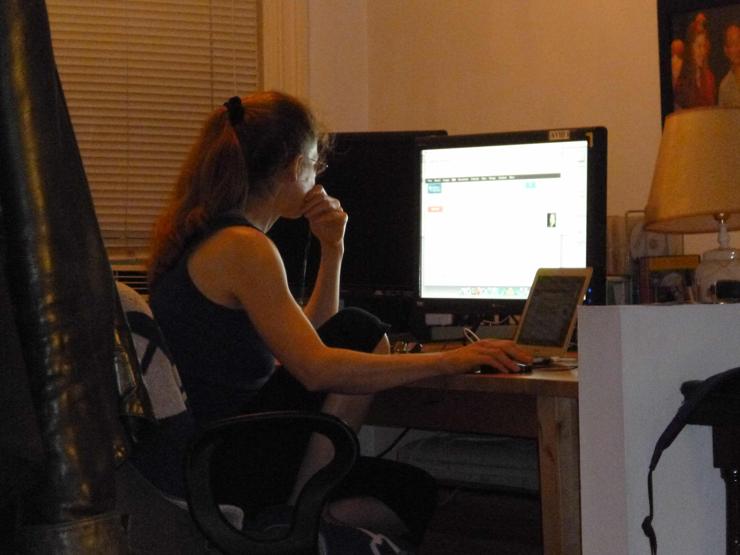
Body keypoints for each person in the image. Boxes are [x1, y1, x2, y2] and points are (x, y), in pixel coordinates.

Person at [147, 90, 531, 545]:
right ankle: (297, 518)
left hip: (214, 457)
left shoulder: (205, 234)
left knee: (410, 489)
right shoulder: (244, 248)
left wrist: (333, 249)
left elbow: (309, 341)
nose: (316, 177)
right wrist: (451, 359)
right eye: (314, 164)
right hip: (230, 464)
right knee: (362, 330)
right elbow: (316, 368)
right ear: (294, 166)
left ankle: (306, 512)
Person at [674, 17, 717, 109]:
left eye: (704, 46)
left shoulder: (710, 78)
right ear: (690, 49)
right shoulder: (681, 82)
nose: (703, 51)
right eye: (699, 46)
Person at [719, 23, 740, 107]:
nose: (738, 48)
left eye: (739, 42)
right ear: (726, 50)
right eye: (732, 44)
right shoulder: (724, 87)